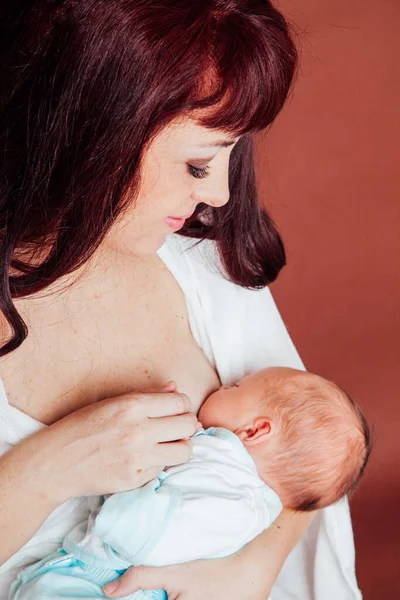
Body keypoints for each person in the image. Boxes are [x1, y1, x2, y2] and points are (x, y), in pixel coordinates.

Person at [0, 2, 366, 599]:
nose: (219, 194)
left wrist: (253, 569)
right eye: (198, 161)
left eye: (231, 152)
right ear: (94, 125)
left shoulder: (195, 259)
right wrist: (47, 469)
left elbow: (310, 457)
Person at [10, 367, 372, 600]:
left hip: (112, 582)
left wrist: (131, 482)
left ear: (256, 430)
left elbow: (146, 536)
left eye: (235, 386)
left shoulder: (233, 498)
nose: (227, 382)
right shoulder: (230, 476)